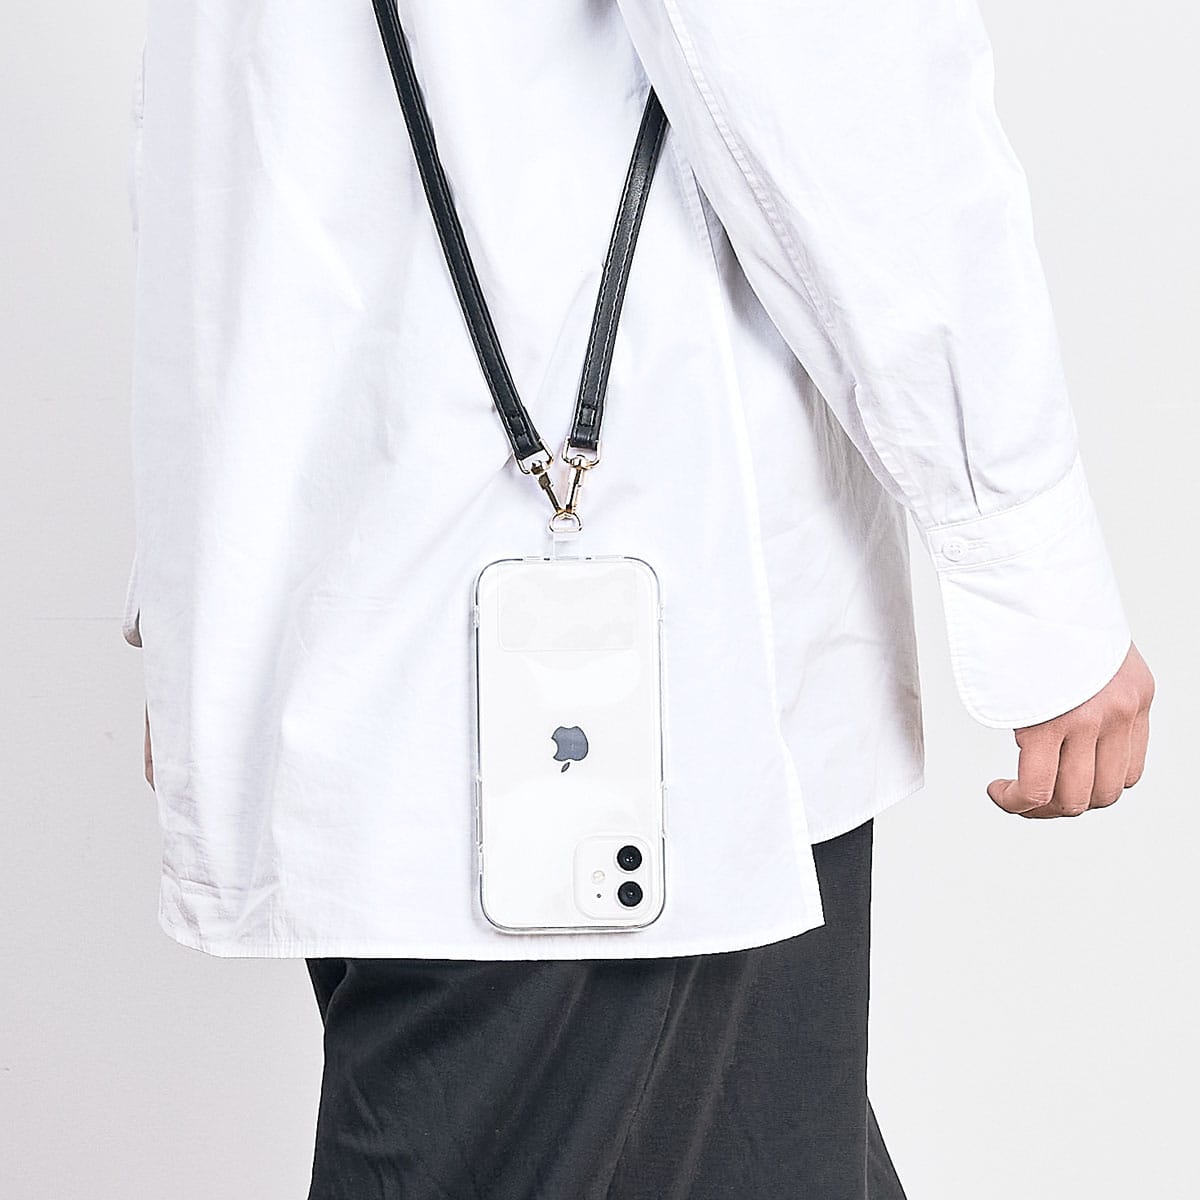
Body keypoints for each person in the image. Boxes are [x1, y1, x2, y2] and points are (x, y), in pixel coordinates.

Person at [124, 3, 1155, 1198]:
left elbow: (226, 122)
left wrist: (203, 594)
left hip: (393, 612)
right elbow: (832, 78)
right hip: (646, 609)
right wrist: (1031, 560)